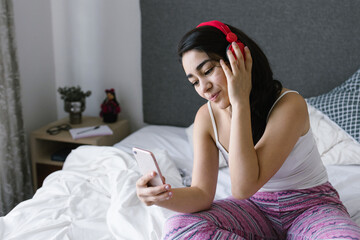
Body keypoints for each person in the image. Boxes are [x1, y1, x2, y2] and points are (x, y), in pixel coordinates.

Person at [136, 20, 360, 239]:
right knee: (178, 227)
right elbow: (202, 195)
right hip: (255, 211)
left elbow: (243, 187)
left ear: (238, 58)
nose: (204, 88)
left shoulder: (289, 105)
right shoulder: (207, 117)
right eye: (194, 82)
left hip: (310, 207)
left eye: (208, 70)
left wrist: (239, 102)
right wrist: (162, 196)